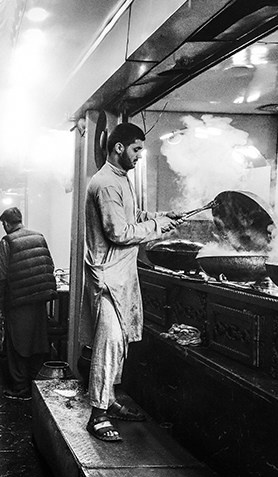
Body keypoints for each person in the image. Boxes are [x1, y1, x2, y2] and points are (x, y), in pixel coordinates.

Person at [81, 122, 183, 443]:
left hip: (120, 276)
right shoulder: (107, 184)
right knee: (109, 341)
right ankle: (97, 414)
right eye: (137, 149)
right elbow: (119, 232)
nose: (140, 156)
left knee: (119, 342)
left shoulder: (119, 179)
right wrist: (156, 227)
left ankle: (109, 400)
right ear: (119, 148)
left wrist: (161, 215)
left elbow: (131, 216)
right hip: (109, 277)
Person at [0, 207, 57, 400]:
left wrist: (1, 306)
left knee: (17, 346)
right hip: (38, 302)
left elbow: (1, 277)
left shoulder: (7, 242)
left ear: (6, 223)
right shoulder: (39, 237)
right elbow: (50, 265)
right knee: (36, 342)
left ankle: (20, 388)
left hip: (18, 302)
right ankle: (35, 386)